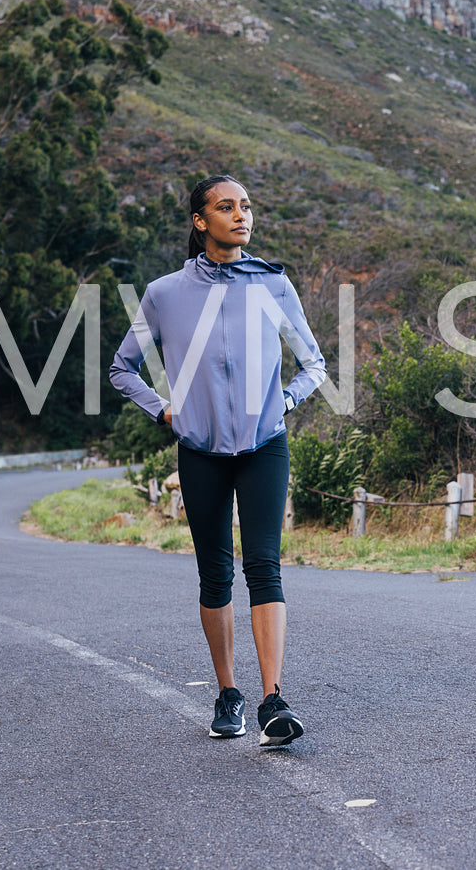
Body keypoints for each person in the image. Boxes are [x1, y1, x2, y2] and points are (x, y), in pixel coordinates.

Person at [109, 174, 326, 746]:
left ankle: (272, 700)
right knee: (215, 576)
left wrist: (284, 400)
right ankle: (228, 691)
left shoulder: (273, 285)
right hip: (201, 451)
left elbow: (315, 363)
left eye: (246, 206)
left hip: (264, 445)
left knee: (265, 566)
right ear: (200, 221)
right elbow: (121, 367)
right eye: (226, 207)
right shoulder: (163, 294)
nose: (241, 215)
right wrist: (164, 413)